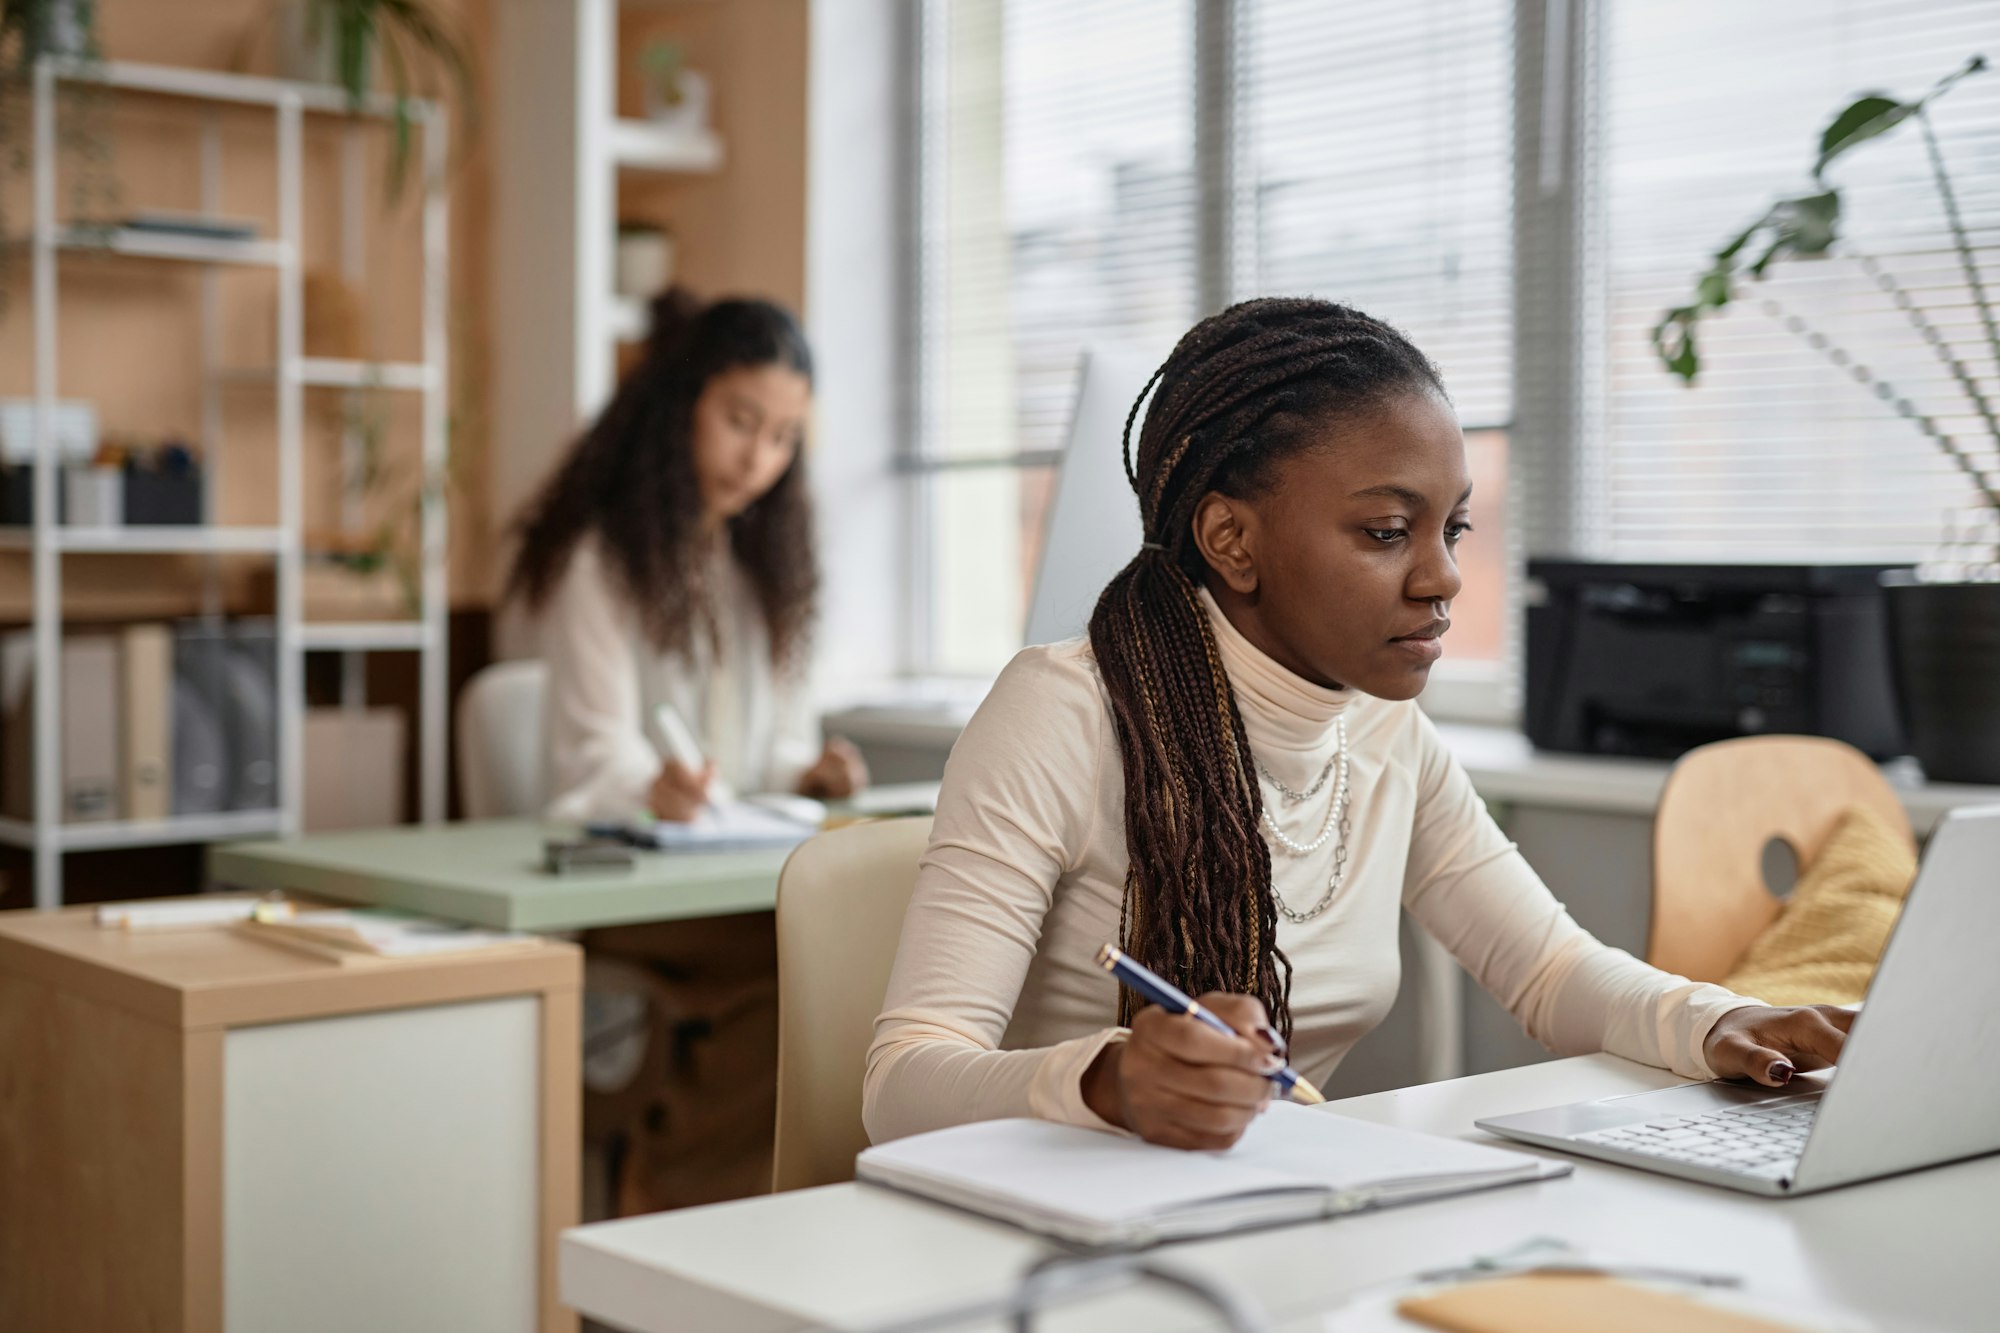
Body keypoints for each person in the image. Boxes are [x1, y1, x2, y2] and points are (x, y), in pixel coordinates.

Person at [865, 297, 1852, 1151]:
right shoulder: (1063, 711)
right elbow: (899, 1084)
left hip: (1261, 1213)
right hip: (1042, 1244)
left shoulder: (1380, 730)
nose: (1443, 577)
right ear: (1230, 539)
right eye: (1386, 532)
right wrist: (1108, 1080)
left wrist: (1723, 1023)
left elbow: (1547, 970)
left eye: (1450, 529)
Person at [507, 288, 867, 1210]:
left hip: (731, 877)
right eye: (740, 421)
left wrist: (807, 772)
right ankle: (675, 1194)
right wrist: (649, 788)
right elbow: (590, 759)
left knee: (838, 948)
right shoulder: (602, 564)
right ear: (681, 408)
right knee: (813, 958)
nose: (758, 457)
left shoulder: (761, 572)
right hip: (631, 888)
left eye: (783, 437)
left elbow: (769, 750)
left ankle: (707, 1192)